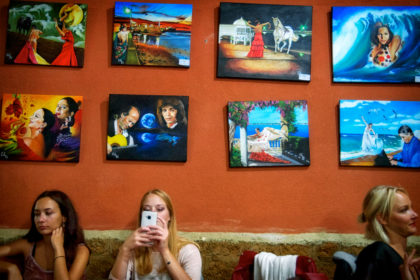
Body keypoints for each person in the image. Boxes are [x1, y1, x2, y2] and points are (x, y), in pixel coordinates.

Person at [109, 189, 202, 280]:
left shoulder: (188, 250)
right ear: (142, 216)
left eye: (160, 209)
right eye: (147, 210)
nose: (154, 214)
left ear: (170, 216)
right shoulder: (134, 249)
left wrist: (164, 251)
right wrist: (125, 249)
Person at [0, 190, 90, 279]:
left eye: (48, 213)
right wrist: (10, 268)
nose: (40, 219)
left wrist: (58, 248)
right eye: (37, 214)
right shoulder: (28, 246)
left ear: (64, 217)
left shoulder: (80, 251)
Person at [353, 185, 420, 280]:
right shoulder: (377, 253)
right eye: (404, 210)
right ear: (383, 218)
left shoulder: (399, 255)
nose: (415, 215)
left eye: (411, 208)